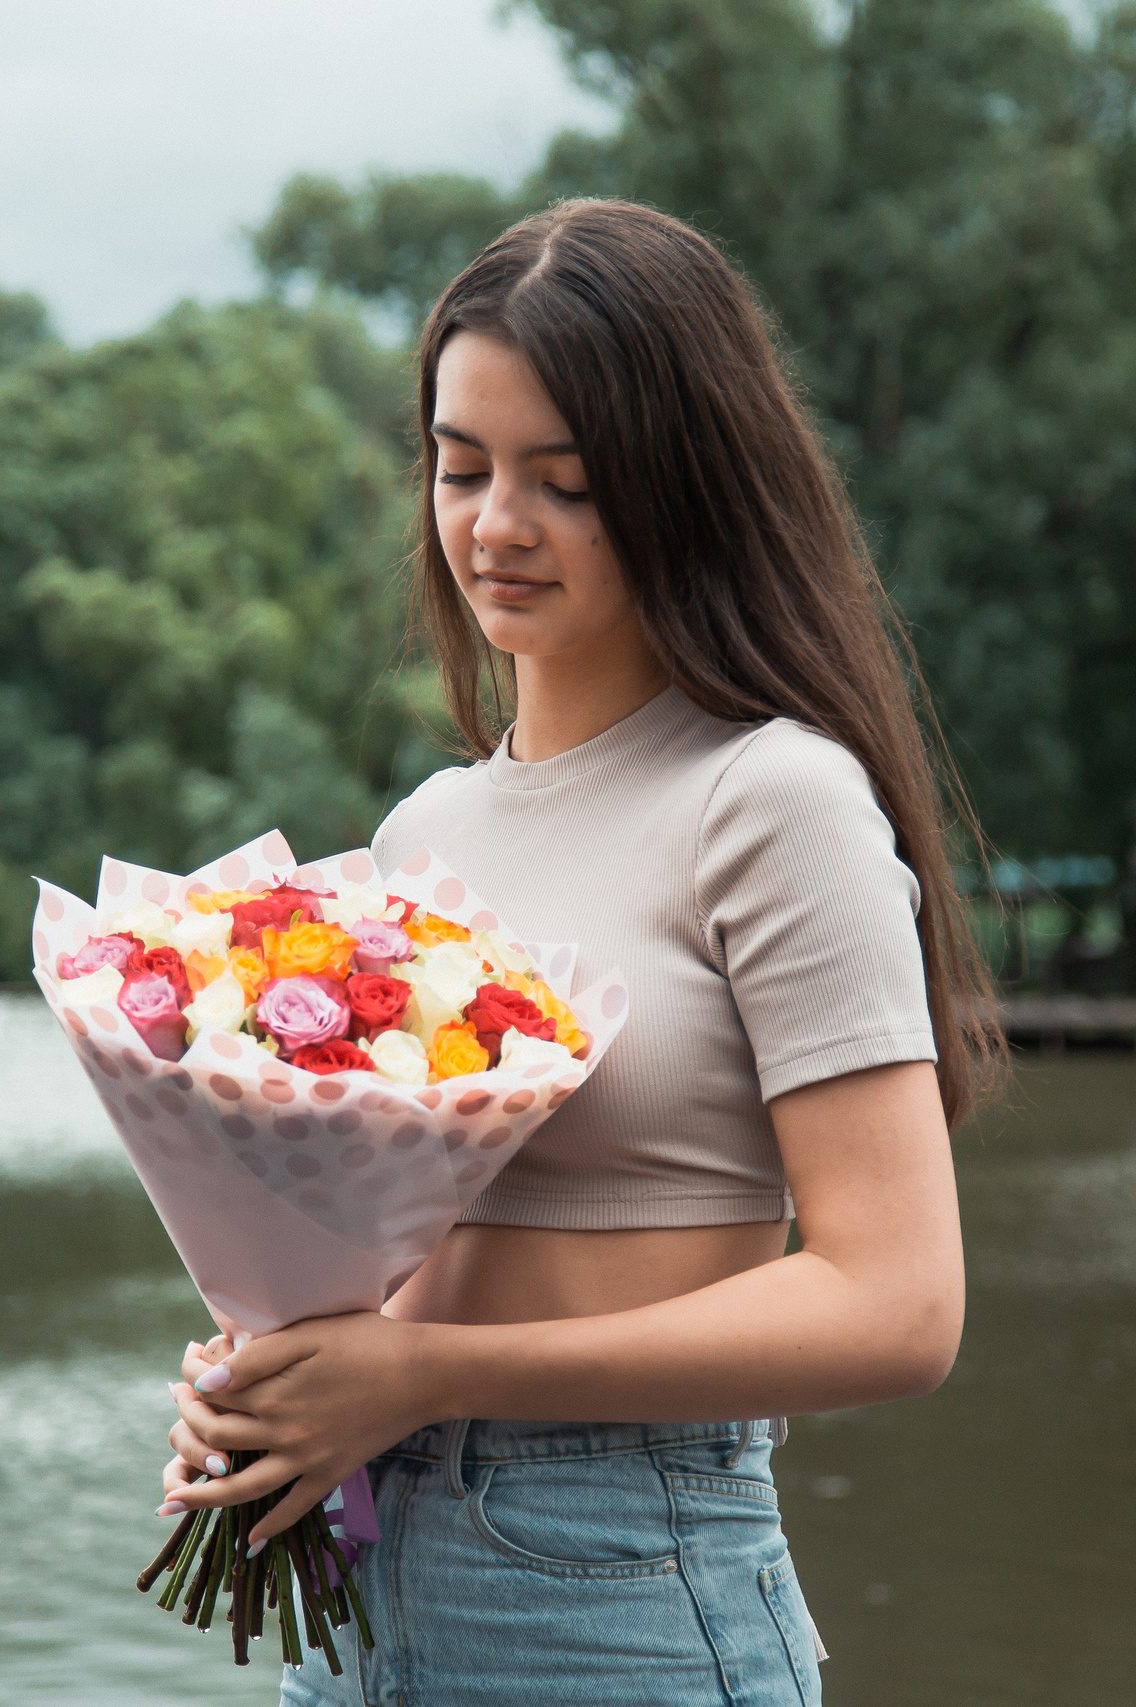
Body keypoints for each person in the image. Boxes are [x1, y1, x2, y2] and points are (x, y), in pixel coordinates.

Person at [161, 198, 1002, 1706]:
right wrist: (272, 1375)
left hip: (616, 1585)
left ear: (686, 485)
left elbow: (900, 1304)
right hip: (360, 1590)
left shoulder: (772, 799)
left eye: (566, 481)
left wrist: (435, 1376)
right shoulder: (429, 830)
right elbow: (394, 1255)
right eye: (460, 465)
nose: (496, 524)